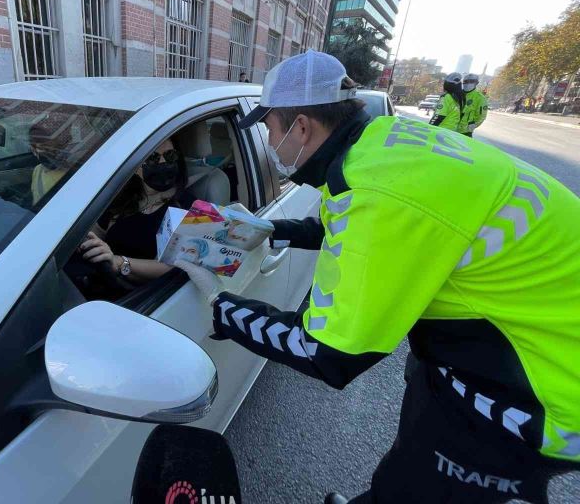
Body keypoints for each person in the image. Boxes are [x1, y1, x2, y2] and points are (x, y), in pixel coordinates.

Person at [177, 50, 580, 504]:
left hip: (544, 390)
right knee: (414, 455)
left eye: (270, 129)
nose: (270, 144)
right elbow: (352, 228)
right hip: (499, 337)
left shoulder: (374, 191)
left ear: (302, 126)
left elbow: (329, 354)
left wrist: (221, 306)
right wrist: (274, 229)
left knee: (421, 492)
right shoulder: (382, 144)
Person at [76, 138, 195, 298]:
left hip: (139, 299)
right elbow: (95, 232)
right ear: (135, 164)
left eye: (170, 155)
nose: (162, 162)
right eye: (152, 158)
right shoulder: (120, 196)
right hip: (96, 283)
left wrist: (119, 262)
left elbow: (168, 266)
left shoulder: (187, 206)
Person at [29, 123, 69, 206]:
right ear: (33, 150)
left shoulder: (75, 174)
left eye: (55, 147)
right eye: (44, 148)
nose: (52, 152)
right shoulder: (37, 170)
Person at [460, 72, 488, 137]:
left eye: (471, 81)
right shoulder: (457, 94)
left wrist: (472, 126)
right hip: (451, 128)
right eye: (466, 81)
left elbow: (482, 116)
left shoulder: (480, 98)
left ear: (476, 83)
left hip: (465, 131)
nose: (468, 83)